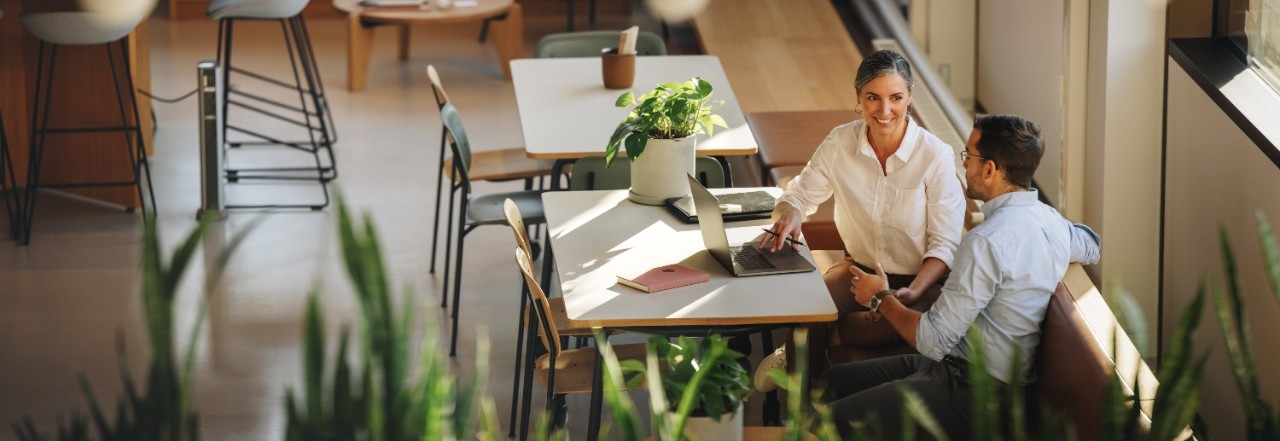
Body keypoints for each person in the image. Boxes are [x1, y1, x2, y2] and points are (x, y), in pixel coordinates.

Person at [821, 114, 1102, 439]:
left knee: (829, 421)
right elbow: (1091, 245)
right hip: (961, 369)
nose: (964, 164)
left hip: (975, 394)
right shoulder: (1050, 221)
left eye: (968, 156)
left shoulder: (984, 242)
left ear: (990, 169)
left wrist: (880, 297)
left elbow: (931, 340)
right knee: (835, 381)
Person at [754, 49, 966, 392]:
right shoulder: (840, 142)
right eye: (873, 98)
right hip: (858, 269)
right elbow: (799, 196)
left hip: (920, 280)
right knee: (808, 310)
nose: (885, 111)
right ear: (858, 97)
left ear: (910, 97)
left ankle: (821, 339)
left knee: (886, 322)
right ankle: (802, 412)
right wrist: (791, 214)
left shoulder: (935, 156)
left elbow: (944, 245)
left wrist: (908, 293)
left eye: (896, 98)